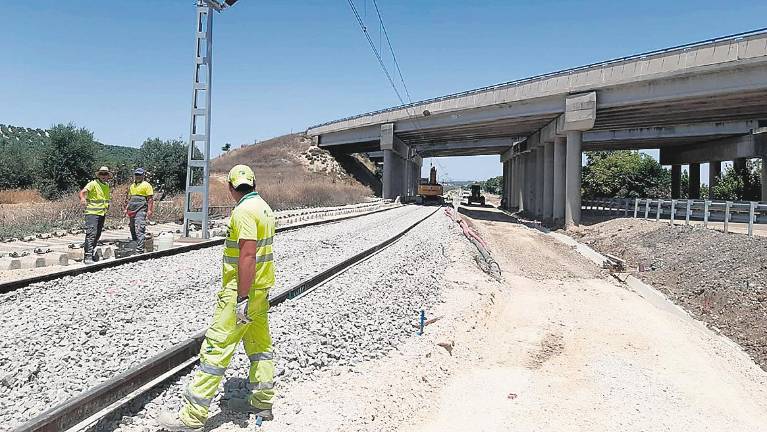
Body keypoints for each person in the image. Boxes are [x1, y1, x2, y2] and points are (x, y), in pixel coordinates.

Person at [159, 164, 276, 431]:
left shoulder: (244, 212)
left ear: (231, 187)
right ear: (254, 183)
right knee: (259, 346)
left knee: (216, 349)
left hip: (240, 292)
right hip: (261, 290)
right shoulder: (265, 208)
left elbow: (247, 255)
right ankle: (262, 402)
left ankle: (192, 417)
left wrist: (241, 299)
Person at [78, 166, 112, 264]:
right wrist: (82, 198)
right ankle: (87, 256)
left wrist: (107, 205)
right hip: (92, 213)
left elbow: (105, 199)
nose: (104, 176)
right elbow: (82, 192)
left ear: (108, 176)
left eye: (105, 174)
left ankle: (91, 252)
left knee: (97, 234)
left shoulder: (106, 185)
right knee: (91, 234)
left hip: (101, 213)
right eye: (102, 174)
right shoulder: (93, 183)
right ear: (99, 175)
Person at [125, 168, 154, 254]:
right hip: (132, 209)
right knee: (132, 227)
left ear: (143, 175)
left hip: (141, 209)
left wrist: (149, 210)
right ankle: (134, 244)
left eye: (139, 175)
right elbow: (130, 199)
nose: (138, 176)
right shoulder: (132, 186)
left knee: (139, 228)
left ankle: (139, 249)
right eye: (136, 175)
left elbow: (150, 199)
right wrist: (126, 208)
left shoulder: (147, 185)